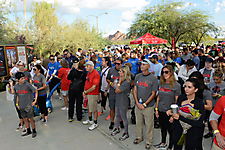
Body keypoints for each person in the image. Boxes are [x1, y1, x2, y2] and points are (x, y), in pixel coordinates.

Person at [167, 78, 205, 150]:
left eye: (189, 87)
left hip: (192, 131)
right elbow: (178, 109)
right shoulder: (181, 97)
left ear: (196, 89)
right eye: (185, 86)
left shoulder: (199, 103)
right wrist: (171, 113)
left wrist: (180, 118)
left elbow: (199, 123)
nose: (186, 89)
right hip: (178, 128)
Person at [133, 59, 158, 149]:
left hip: (148, 106)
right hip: (138, 105)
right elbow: (135, 89)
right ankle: (139, 137)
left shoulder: (153, 78)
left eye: (144, 64)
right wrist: (136, 102)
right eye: (141, 64)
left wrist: (144, 104)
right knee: (138, 122)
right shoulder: (138, 76)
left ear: (148, 66)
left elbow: (153, 93)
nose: (142, 66)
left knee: (149, 124)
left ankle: (149, 141)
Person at [154, 66, 181, 150]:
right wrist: (156, 109)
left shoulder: (176, 85)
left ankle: (170, 147)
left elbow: (177, 101)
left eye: (166, 72)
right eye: (163, 72)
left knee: (171, 130)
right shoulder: (161, 83)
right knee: (163, 128)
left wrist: (174, 114)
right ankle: (163, 143)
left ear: (171, 73)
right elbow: (158, 96)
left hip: (170, 111)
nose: (164, 74)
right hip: (161, 109)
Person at [189, 71, 213, 149]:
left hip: (200, 119)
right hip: (189, 118)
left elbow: (209, 107)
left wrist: (197, 105)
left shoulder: (205, 92)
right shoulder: (188, 91)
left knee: (198, 142)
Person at [13, 72, 38, 139]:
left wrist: (35, 100)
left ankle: (34, 130)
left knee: (30, 118)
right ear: (17, 79)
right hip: (21, 105)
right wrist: (17, 103)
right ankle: (28, 130)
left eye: (24, 78)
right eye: (21, 78)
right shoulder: (16, 87)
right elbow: (17, 95)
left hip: (28, 105)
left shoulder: (27, 85)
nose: (23, 79)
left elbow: (35, 91)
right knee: (25, 119)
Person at [111, 66, 131, 141]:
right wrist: (116, 84)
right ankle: (117, 128)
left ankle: (126, 133)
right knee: (117, 115)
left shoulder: (126, 82)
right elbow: (114, 86)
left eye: (120, 71)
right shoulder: (121, 80)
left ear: (124, 73)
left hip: (123, 102)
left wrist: (118, 83)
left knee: (123, 117)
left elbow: (117, 90)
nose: (118, 72)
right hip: (118, 100)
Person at [204, 69, 225, 138]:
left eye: (217, 79)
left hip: (220, 105)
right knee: (210, 119)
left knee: (219, 120)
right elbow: (207, 89)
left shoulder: (224, 85)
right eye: (214, 79)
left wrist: (219, 95)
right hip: (212, 103)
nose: (215, 81)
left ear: (221, 78)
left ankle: (218, 133)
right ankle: (210, 132)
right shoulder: (211, 83)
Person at [106, 57, 124, 129]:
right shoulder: (111, 70)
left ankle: (121, 121)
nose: (116, 65)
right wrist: (110, 83)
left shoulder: (124, 70)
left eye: (118, 64)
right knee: (112, 108)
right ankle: (112, 121)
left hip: (121, 93)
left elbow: (132, 78)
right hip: (112, 92)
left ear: (122, 64)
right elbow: (107, 78)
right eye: (115, 63)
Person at [82, 61, 100, 130]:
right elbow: (86, 83)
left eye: (87, 66)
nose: (85, 67)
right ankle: (90, 119)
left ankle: (95, 122)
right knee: (88, 107)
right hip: (87, 93)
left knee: (93, 108)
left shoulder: (95, 74)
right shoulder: (88, 73)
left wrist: (85, 91)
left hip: (93, 94)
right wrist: (85, 92)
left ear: (91, 66)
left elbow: (94, 86)